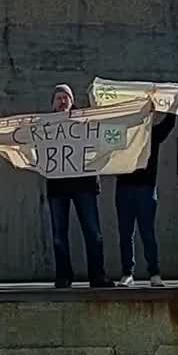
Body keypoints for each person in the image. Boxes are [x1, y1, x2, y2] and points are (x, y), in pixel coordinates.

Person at [109, 90, 178, 287]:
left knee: (147, 232)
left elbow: (169, 123)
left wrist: (175, 102)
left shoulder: (153, 133)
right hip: (123, 188)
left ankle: (155, 273)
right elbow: (102, 136)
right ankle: (127, 273)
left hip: (146, 189)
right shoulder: (120, 134)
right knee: (125, 233)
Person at [44, 84, 109, 289]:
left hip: (85, 185)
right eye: (59, 98)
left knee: (93, 233)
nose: (62, 101)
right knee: (58, 236)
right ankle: (64, 276)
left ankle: (97, 275)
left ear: (72, 101)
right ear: (53, 103)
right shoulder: (43, 126)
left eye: (66, 97)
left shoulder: (85, 121)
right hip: (57, 188)